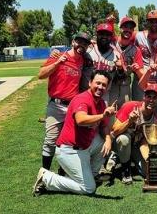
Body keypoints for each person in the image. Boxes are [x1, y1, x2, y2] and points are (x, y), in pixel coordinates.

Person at [32, 70, 117, 196]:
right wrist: (103, 115)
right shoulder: (82, 99)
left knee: (103, 142)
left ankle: (90, 175)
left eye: (104, 85)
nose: (100, 87)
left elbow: (104, 127)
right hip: (69, 150)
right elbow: (80, 120)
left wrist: (109, 140)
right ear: (89, 83)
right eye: (97, 83)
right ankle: (47, 178)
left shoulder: (101, 103)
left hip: (83, 147)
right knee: (89, 189)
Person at [38, 32, 91, 170]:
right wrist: (57, 63)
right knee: (50, 141)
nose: (82, 45)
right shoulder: (59, 56)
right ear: (73, 42)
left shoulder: (83, 60)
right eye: (79, 42)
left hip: (72, 106)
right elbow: (41, 75)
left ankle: (63, 172)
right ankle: (44, 174)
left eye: (85, 43)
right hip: (56, 105)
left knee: (68, 141)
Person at [110, 84, 157, 184]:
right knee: (124, 139)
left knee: (147, 172)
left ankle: (127, 158)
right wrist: (129, 121)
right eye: (149, 97)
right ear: (144, 97)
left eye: (155, 97)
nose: (151, 100)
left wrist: (148, 160)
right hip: (119, 143)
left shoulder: (156, 120)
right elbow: (114, 131)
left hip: (136, 146)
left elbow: (144, 142)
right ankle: (125, 170)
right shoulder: (130, 106)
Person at [109, 16, 145, 108]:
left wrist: (137, 70)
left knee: (125, 114)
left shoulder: (135, 50)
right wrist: (110, 22)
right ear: (120, 28)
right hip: (110, 85)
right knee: (108, 117)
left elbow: (141, 74)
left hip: (125, 86)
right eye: (125, 27)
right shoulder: (112, 42)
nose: (128, 30)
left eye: (131, 28)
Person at [133, 9, 157, 100]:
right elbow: (121, 38)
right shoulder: (138, 36)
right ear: (147, 23)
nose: (154, 24)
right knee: (139, 109)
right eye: (151, 21)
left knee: (156, 110)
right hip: (140, 81)